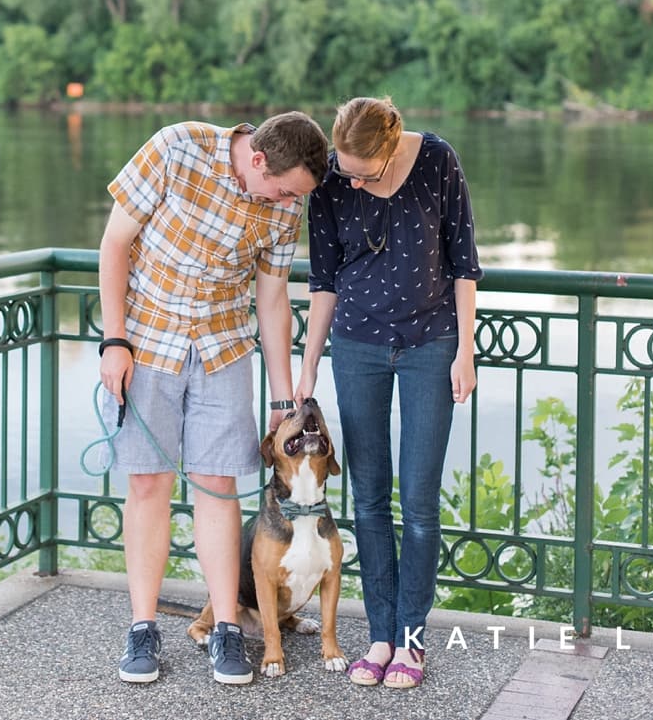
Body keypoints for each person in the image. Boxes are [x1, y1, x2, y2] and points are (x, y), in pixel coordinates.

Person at [97, 112, 329, 686]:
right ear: (257, 160)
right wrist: (113, 340)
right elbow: (114, 244)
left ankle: (227, 628)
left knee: (218, 483)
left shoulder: (285, 200)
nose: (285, 202)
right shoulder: (175, 148)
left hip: (224, 350)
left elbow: (273, 299)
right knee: (148, 482)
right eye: (282, 189)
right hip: (147, 341)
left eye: (293, 196)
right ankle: (142, 629)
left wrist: (283, 401)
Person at [296, 95, 481, 689]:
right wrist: (307, 369)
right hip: (358, 348)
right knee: (369, 500)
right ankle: (379, 636)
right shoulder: (329, 180)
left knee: (420, 506)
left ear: (391, 144)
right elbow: (323, 280)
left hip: (432, 344)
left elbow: (463, 263)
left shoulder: (437, 162)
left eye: (360, 171)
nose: (348, 179)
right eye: (342, 168)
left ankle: (412, 640)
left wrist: (466, 350)